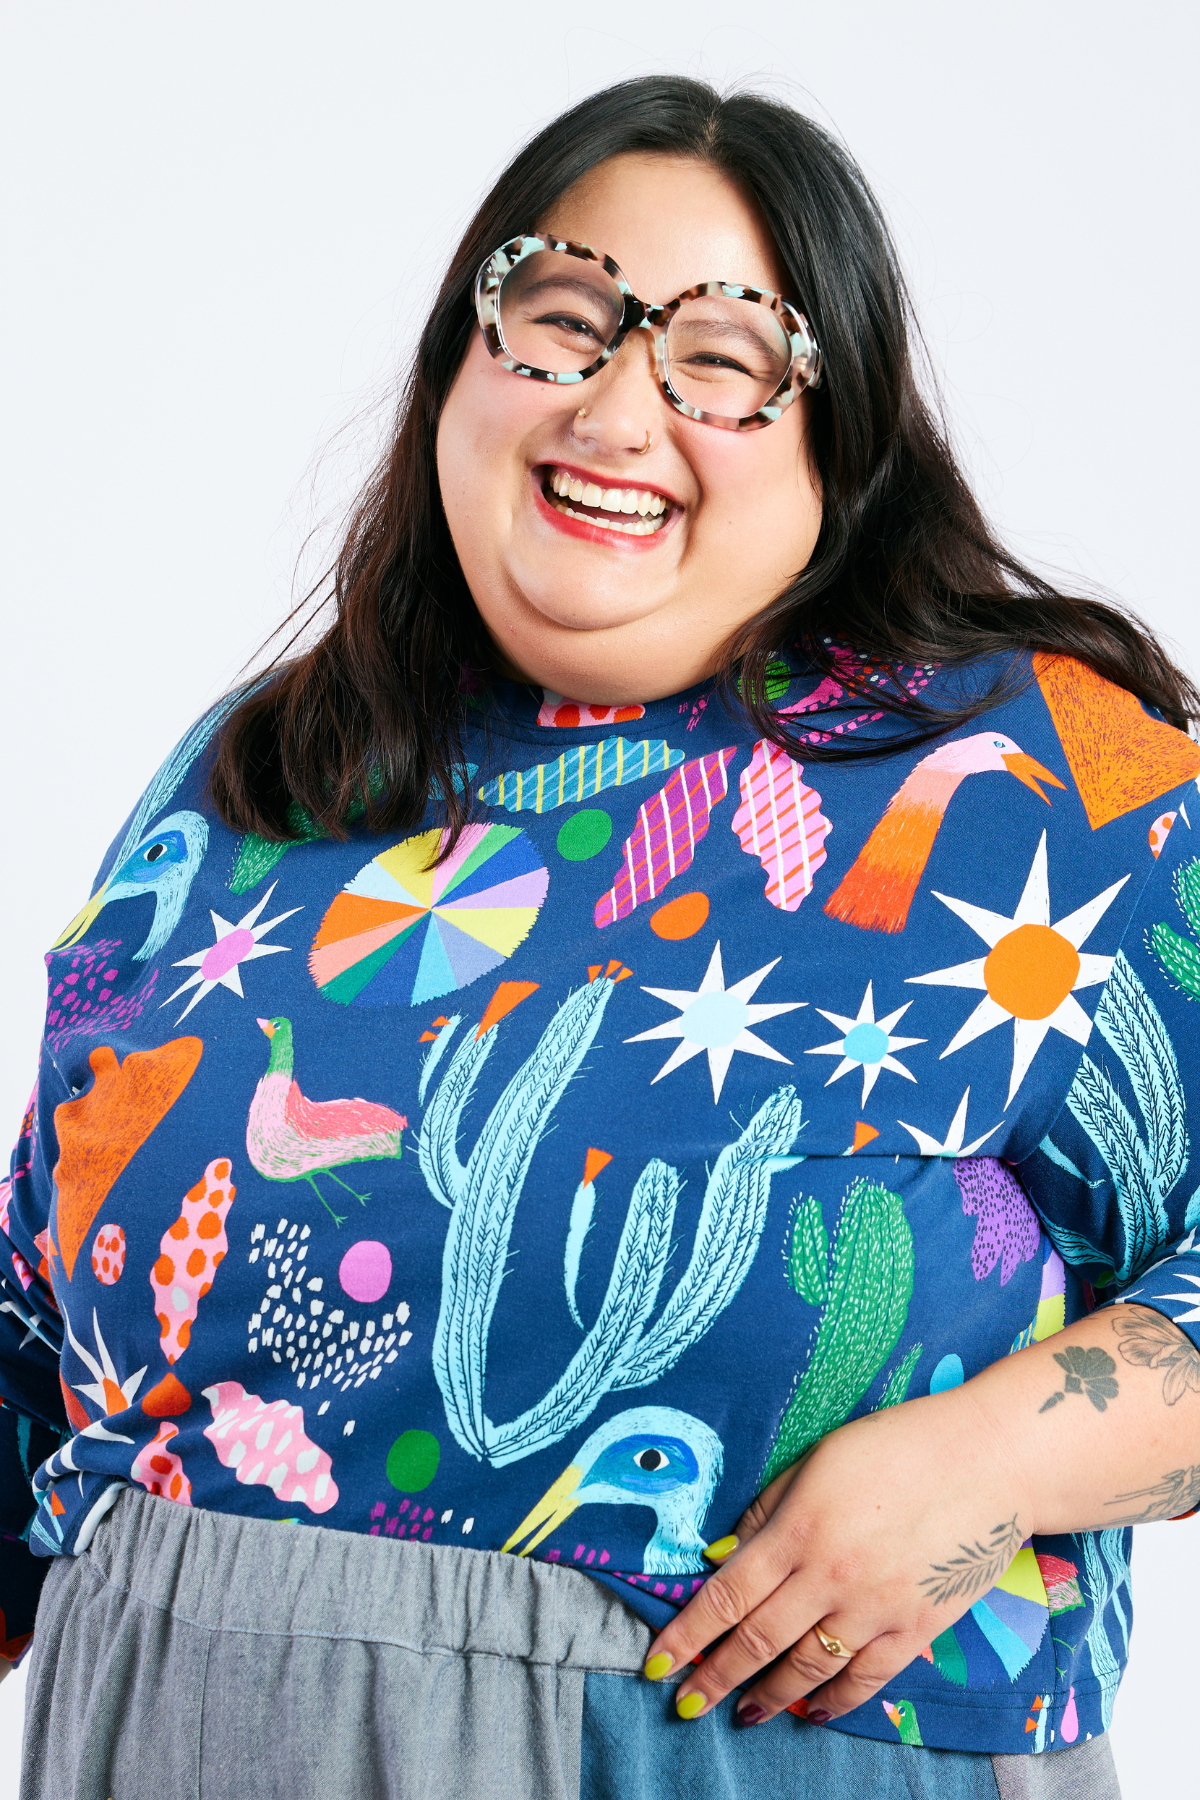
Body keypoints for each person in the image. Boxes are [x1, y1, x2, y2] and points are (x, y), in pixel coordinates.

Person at [3, 75, 1198, 1800]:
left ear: (838, 439)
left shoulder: (1047, 785)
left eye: (723, 357)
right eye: (560, 320)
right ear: (458, 375)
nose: (620, 410)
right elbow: (32, 1306)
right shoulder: (261, 771)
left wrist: (989, 1463)